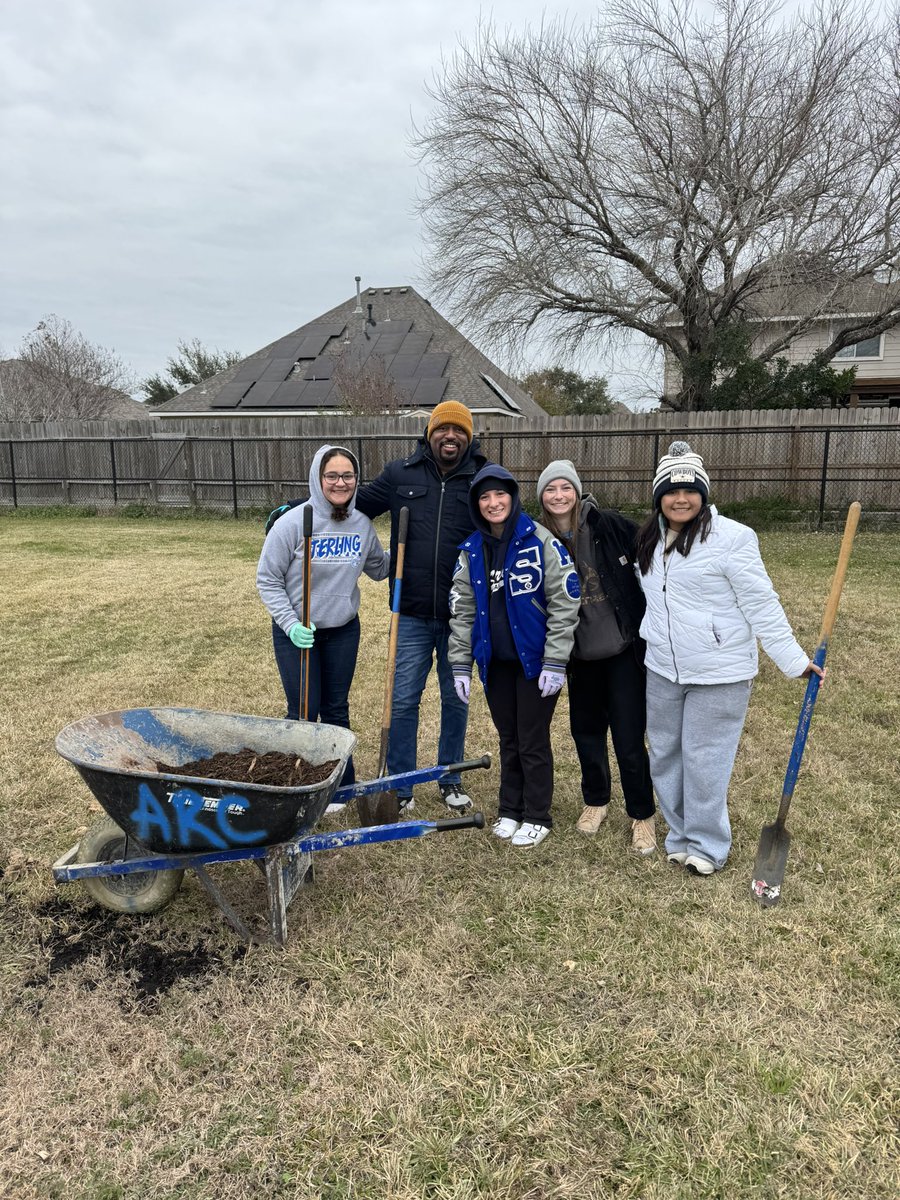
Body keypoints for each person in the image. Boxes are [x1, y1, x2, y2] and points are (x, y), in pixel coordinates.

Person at [635, 441, 824, 876]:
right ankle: (679, 835)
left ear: (703, 493)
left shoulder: (734, 538)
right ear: (658, 496)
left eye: (689, 491)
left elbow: (762, 604)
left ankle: (707, 844)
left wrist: (793, 660)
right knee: (664, 754)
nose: (680, 499)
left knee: (704, 760)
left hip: (719, 672)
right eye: (670, 491)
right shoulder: (649, 539)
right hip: (662, 667)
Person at [355, 400, 492, 812]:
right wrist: (299, 510)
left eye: (459, 432)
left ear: (469, 437)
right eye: (442, 430)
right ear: (430, 433)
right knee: (402, 700)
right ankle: (400, 784)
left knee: (455, 698)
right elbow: (353, 504)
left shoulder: (481, 479)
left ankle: (449, 777)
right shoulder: (400, 474)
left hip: (460, 616)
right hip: (410, 611)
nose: (450, 437)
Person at [448, 466, 581, 848]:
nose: (493, 503)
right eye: (484, 497)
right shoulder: (471, 550)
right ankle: (510, 809)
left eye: (500, 495)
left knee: (532, 739)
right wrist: (461, 664)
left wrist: (555, 661)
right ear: (477, 505)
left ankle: (538, 814)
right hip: (496, 663)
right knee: (509, 737)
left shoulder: (541, 542)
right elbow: (463, 612)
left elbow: (565, 603)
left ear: (513, 496)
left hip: (536, 665)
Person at [256, 445, 389, 809]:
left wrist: (416, 548)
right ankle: (295, 785)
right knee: (303, 710)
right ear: (318, 477)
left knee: (335, 709)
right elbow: (267, 579)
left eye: (348, 476)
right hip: (297, 632)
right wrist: (290, 623)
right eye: (332, 475)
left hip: (343, 629)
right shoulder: (294, 523)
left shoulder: (361, 523)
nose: (340, 482)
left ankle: (340, 789)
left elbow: (379, 568)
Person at [537, 460, 657, 856]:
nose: (559, 496)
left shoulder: (608, 525)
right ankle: (596, 801)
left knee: (628, 738)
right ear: (542, 497)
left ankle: (642, 814)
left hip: (622, 651)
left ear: (576, 491)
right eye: (550, 490)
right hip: (579, 656)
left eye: (565, 488)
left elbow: (654, 549)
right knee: (586, 733)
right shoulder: (538, 539)